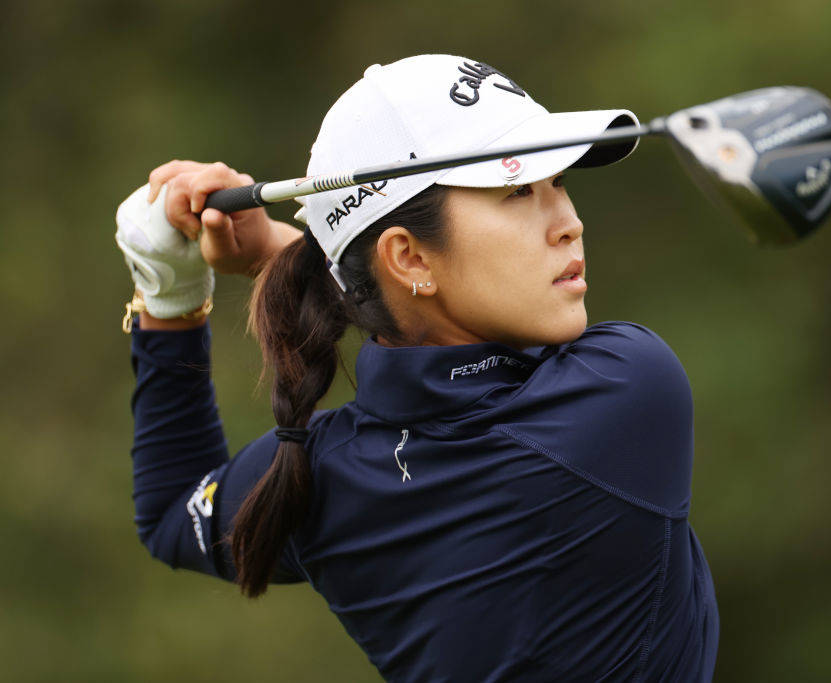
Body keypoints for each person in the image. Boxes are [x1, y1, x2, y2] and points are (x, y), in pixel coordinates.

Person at [116, 54, 719, 682]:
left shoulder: (320, 471)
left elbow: (170, 511)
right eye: (517, 191)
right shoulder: (625, 390)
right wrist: (276, 249)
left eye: (558, 182)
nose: (569, 224)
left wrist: (169, 297)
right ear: (408, 258)